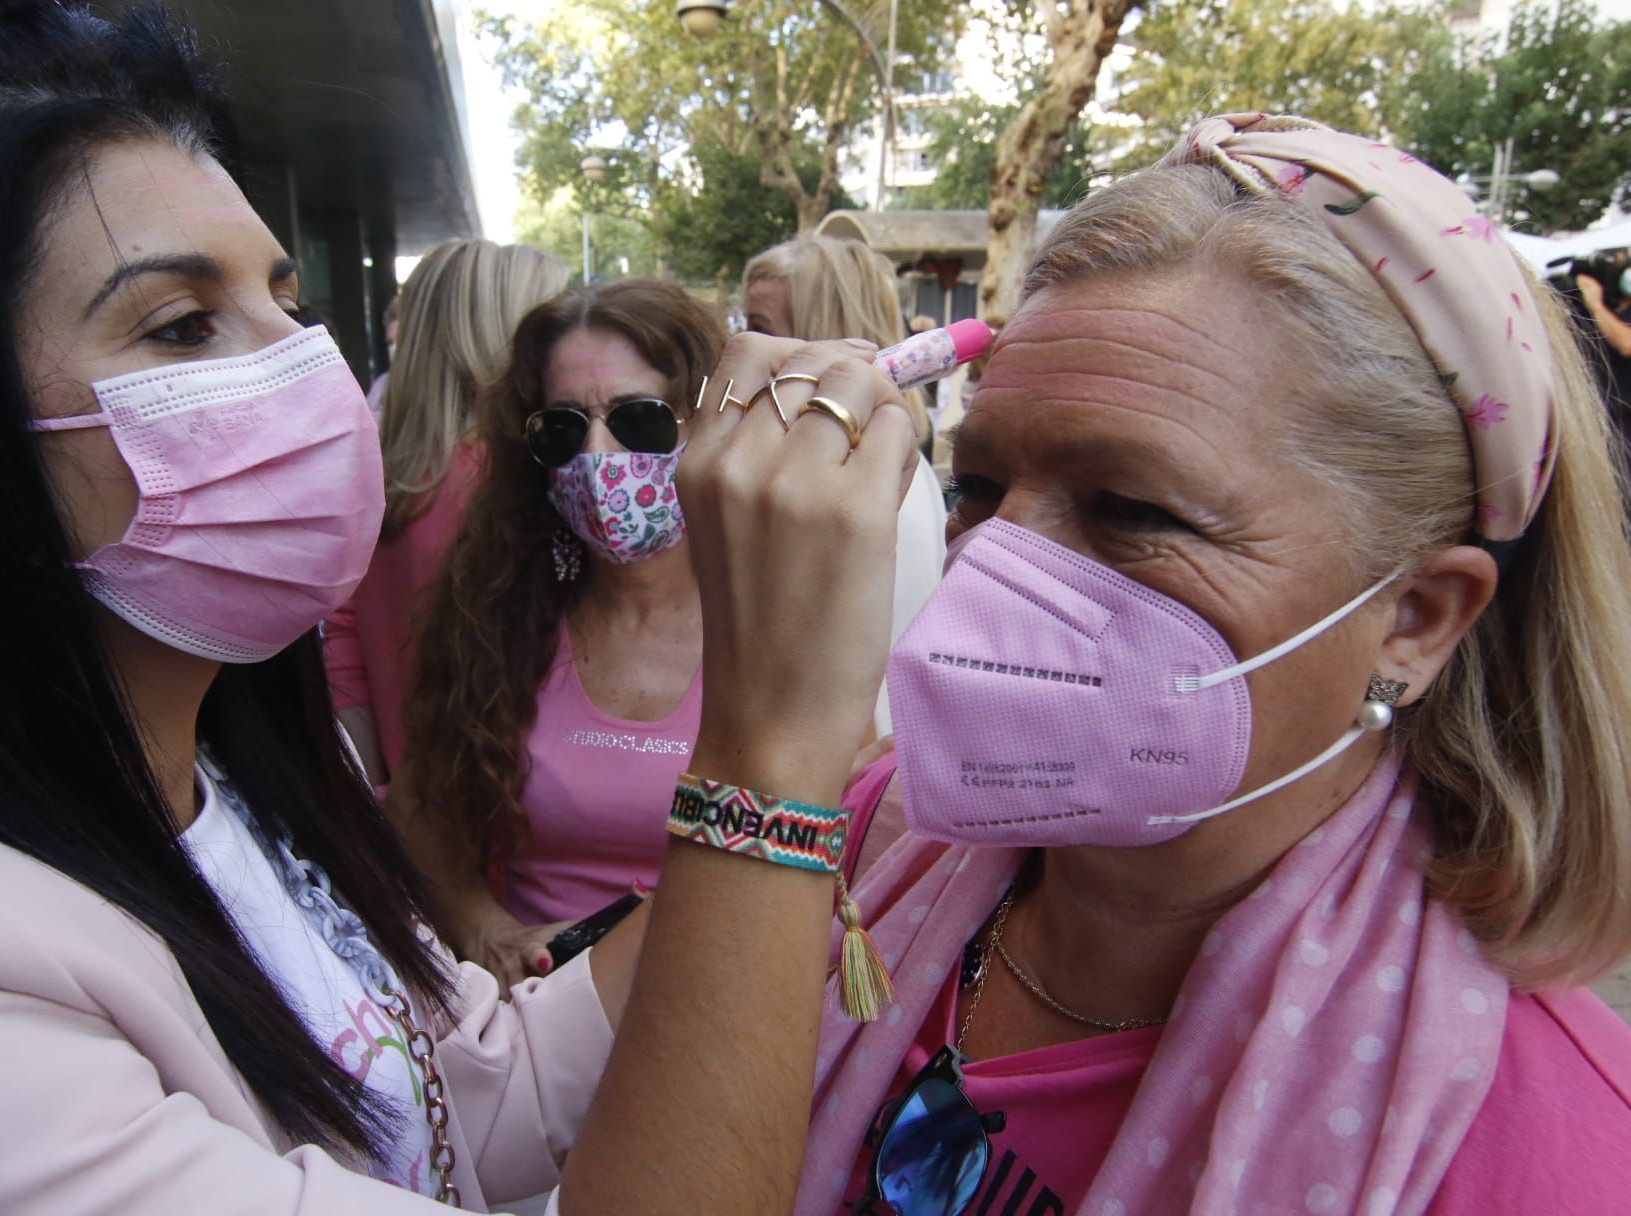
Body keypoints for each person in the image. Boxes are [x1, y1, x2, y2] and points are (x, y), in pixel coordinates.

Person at [0, 5, 919, 1213]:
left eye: (288, 303)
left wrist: (786, 819)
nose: (305, 372)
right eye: (184, 326)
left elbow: (472, 1090)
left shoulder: (229, 803)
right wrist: (769, 759)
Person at [797, 114, 1631, 1216]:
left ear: (1416, 620)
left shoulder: (1540, 1146)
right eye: (979, 492)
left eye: (1132, 507)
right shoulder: (862, 830)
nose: (990, 574)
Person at [392, 281, 725, 990]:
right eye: (565, 428)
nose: (598, 455)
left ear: (709, 422)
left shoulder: (770, 624)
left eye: (638, 420)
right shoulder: (498, 616)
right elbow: (419, 813)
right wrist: (493, 934)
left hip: (714, 1009)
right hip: (540, 1027)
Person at [325, 239, 569, 788]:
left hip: (420, 823)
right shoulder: (517, 485)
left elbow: (347, 672)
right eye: (555, 327)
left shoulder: (373, 487)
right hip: (532, 835)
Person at [744, 234, 950, 736]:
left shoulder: (845, 482)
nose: (741, 350)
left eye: (758, 329)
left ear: (824, 337)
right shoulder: (886, 465)